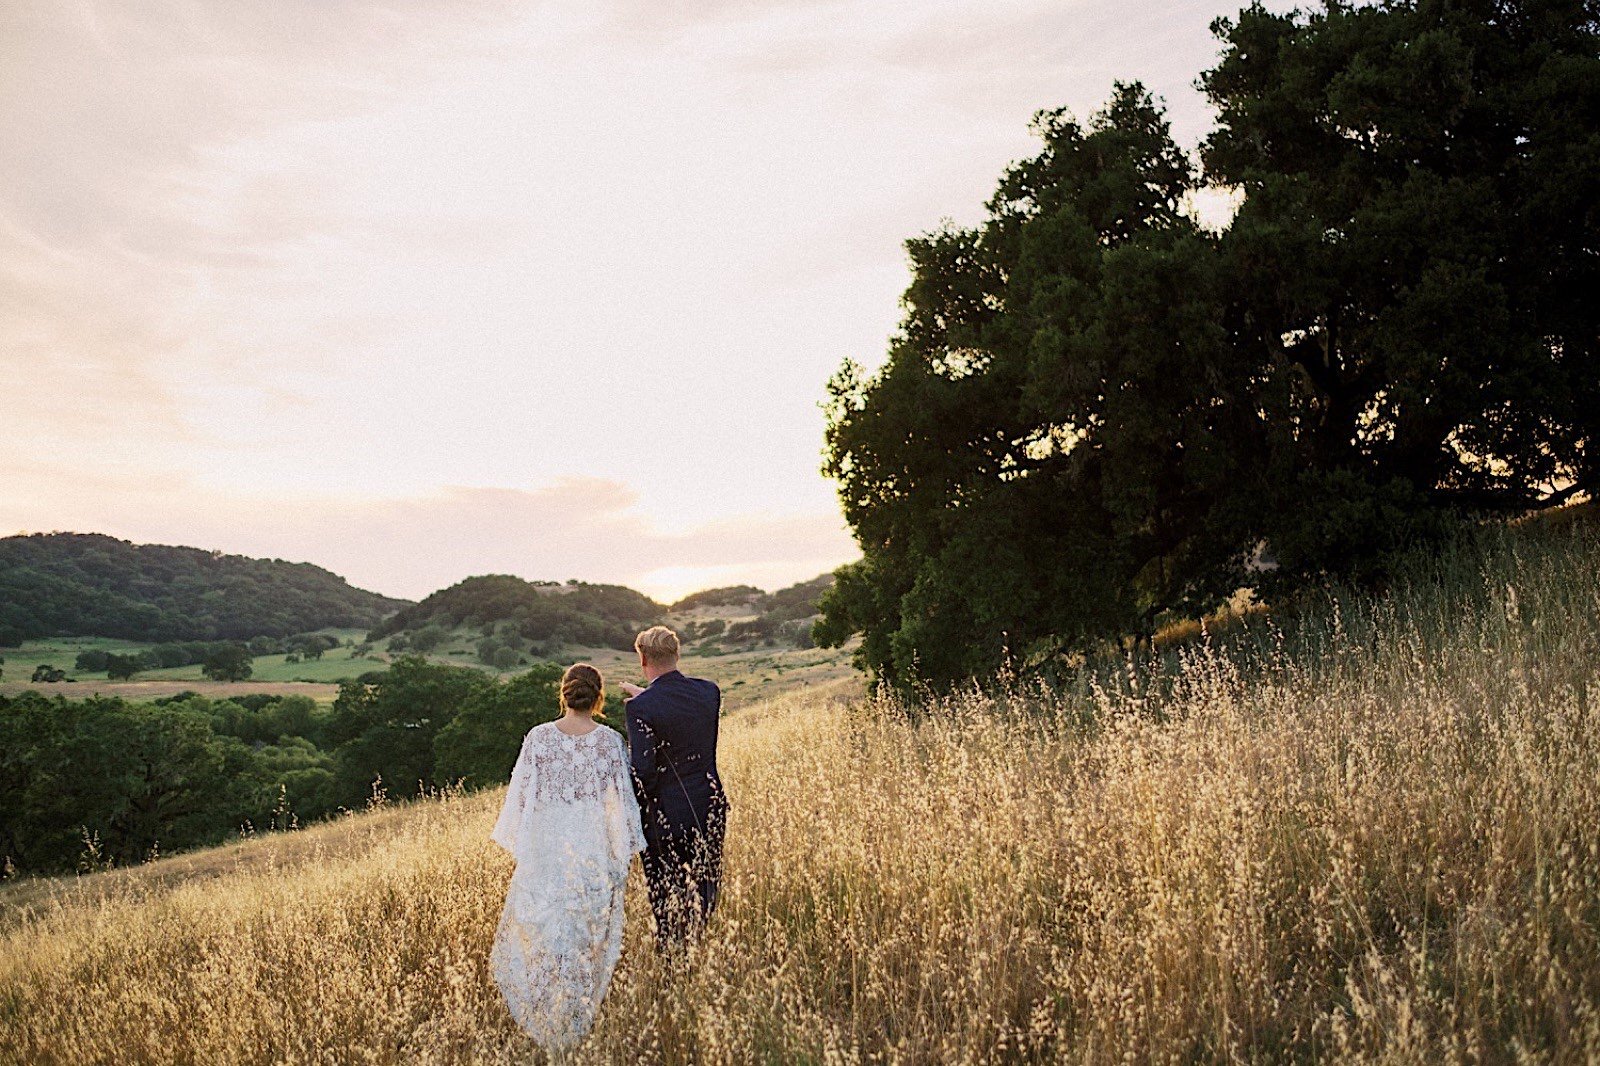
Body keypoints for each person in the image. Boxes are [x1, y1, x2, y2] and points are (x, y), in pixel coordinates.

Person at [489, 663, 644, 1051]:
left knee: (545, 927)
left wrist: (529, 839)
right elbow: (623, 803)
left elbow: (520, 797)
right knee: (581, 928)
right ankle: (574, 1015)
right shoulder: (609, 741)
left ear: (564, 693)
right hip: (589, 842)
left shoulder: (539, 738)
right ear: (598, 697)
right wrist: (620, 850)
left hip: (547, 842)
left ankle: (547, 1014)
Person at [621, 625, 728, 949]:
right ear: (677, 654)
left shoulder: (640, 708)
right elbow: (679, 711)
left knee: (667, 897)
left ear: (643, 659)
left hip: (664, 816)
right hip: (708, 804)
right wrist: (648, 696)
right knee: (705, 885)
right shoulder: (709, 691)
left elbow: (643, 772)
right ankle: (702, 951)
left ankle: (673, 966)